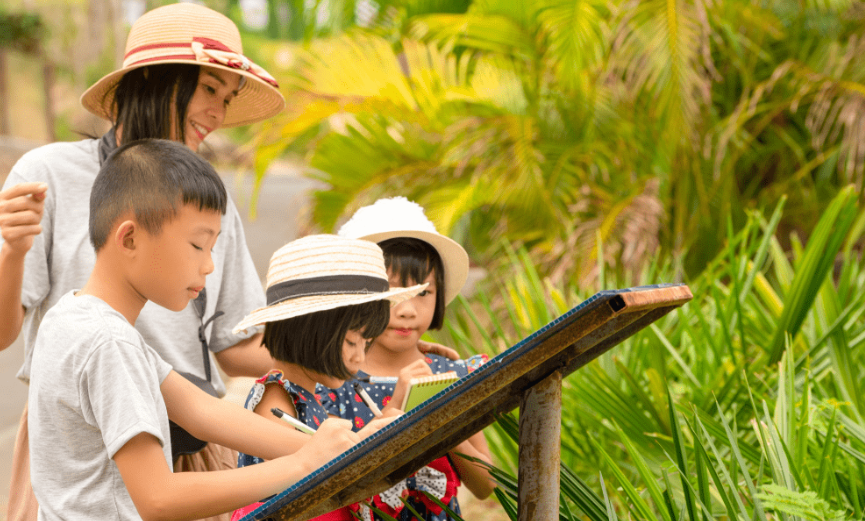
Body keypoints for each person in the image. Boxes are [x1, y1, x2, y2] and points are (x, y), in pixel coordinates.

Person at [0, 4, 285, 521]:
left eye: (227, 98)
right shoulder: (48, 174)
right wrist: (12, 252)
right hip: (80, 447)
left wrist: (347, 347)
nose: (218, 114)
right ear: (153, 80)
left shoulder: (208, 201)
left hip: (189, 446)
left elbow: (235, 344)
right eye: (209, 89)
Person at [28, 139, 359, 521]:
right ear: (130, 238)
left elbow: (202, 412)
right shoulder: (110, 343)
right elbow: (158, 498)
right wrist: (303, 465)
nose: (209, 266)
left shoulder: (73, 316)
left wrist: (334, 448)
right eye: (198, 245)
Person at [321, 197, 496, 520]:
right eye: (392, 292)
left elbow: (487, 486)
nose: (407, 309)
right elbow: (329, 480)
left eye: (423, 292)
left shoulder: (449, 375)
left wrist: (444, 428)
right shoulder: (334, 380)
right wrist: (397, 408)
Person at [230, 234, 424, 520]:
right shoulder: (277, 400)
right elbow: (300, 482)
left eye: (366, 343)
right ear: (309, 332)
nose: (359, 357)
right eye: (351, 342)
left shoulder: (307, 395)